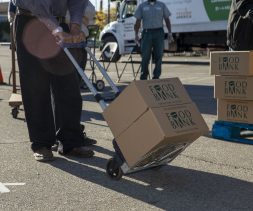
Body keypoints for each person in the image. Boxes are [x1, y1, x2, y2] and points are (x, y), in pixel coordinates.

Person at [13, 0, 97, 162]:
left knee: (68, 84)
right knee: (36, 85)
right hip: (31, 21)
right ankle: (42, 144)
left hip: (59, 21)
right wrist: (56, 29)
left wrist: (75, 25)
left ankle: (70, 142)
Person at [134, 0, 173, 80]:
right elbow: (138, 21)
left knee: (159, 55)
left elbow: (167, 19)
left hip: (159, 32)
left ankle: (156, 76)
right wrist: (136, 34)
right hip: (147, 33)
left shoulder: (162, 5)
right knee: (145, 55)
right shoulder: (142, 6)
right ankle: (144, 76)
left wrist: (170, 33)